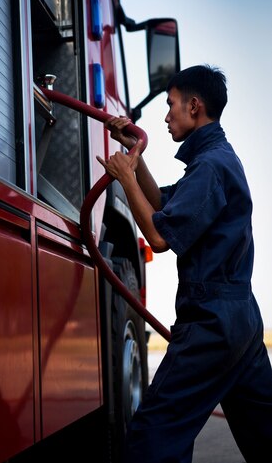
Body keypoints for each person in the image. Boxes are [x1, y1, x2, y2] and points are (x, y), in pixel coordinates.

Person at [97, 64, 272, 463]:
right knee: (265, 434)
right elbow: (163, 205)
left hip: (211, 323)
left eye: (171, 104)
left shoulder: (210, 167)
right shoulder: (215, 161)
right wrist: (134, 157)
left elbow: (159, 237)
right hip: (239, 319)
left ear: (194, 106)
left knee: (152, 439)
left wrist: (124, 178)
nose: (165, 115)